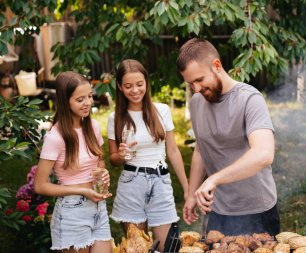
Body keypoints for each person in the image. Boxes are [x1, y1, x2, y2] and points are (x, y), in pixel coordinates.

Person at [177, 38, 280, 236]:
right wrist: (191, 195)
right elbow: (201, 149)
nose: (196, 89)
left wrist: (214, 179)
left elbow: (264, 154)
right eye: (191, 83)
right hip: (217, 210)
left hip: (257, 211)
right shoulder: (197, 102)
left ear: (217, 66)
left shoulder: (250, 99)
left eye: (199, 80)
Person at [107, 59, 188, 252]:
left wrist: (187, 187)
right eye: (128, 86)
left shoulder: (161, 110)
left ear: (146, 83)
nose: (134, 90)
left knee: (170, 248)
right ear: (119, 86)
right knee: (138, 248)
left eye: (139, 84)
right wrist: (120, 154)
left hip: (160, 182)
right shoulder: (115, 118)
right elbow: (113, 159)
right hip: (131, 184)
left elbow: (173, 150)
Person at [34, 71, 113, 253]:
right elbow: (39, 185)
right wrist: (81, 190)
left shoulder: (93, 127)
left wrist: (103, 173)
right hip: (72, 212)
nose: (88, 103)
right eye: (80, 99)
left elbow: (99, 163)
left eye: (90, 96)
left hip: (98, 208)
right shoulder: (56, 137)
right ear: (65, 101)